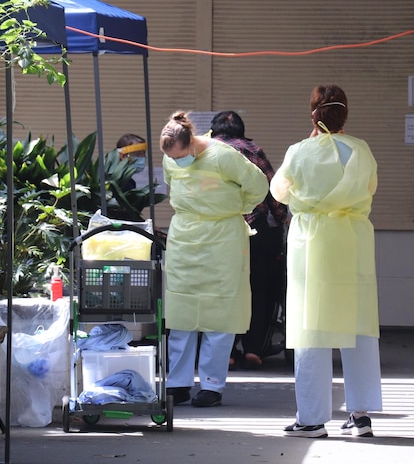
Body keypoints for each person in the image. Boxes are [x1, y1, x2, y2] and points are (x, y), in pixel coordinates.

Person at [270, 85, 381, 439]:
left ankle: (312, 417)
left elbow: (279, 191)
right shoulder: (361, 150)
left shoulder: (300, 151)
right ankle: (361, 415)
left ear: (313, 114)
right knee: (358, 325)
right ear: (345, 113)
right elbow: (371, 187)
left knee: (310, 327)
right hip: (354, 240)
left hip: (312, 243)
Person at [160, 111, 269, 407]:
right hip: (184, 237)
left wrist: (237, 209)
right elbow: (173, 181)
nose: (177, 161)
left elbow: (258, 186)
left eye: (182, 156)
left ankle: (212, 385)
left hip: (223, 237)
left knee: (219, 313)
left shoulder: (225, 156)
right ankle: (178, 383)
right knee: (181, 312)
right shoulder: (171, 155)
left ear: (192, 142)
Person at [209, 110, 288, 368]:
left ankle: (227, 351)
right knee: (258, 289)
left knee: (221, 291)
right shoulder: (252, 150)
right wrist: (281, 218)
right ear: (241, 131)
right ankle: (254, 348)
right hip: (255, 232)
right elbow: (273, 190)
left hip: (215, 233)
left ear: (213, 131)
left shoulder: (203, 152)